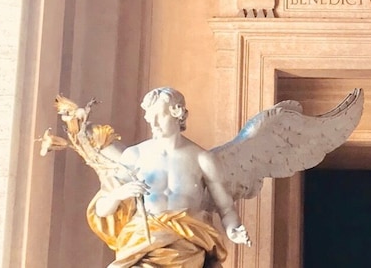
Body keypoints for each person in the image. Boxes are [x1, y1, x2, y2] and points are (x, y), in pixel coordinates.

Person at [89, 87, 251, 268]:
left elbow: (226, 208)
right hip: (143, 244)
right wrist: (117, 195)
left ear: (178, 114)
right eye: (151, 117)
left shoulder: (202, 159)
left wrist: (233, 229)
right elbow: (102, 210)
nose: (154, 123)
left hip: (186, 246)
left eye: (160, 115)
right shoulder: (135, 155)